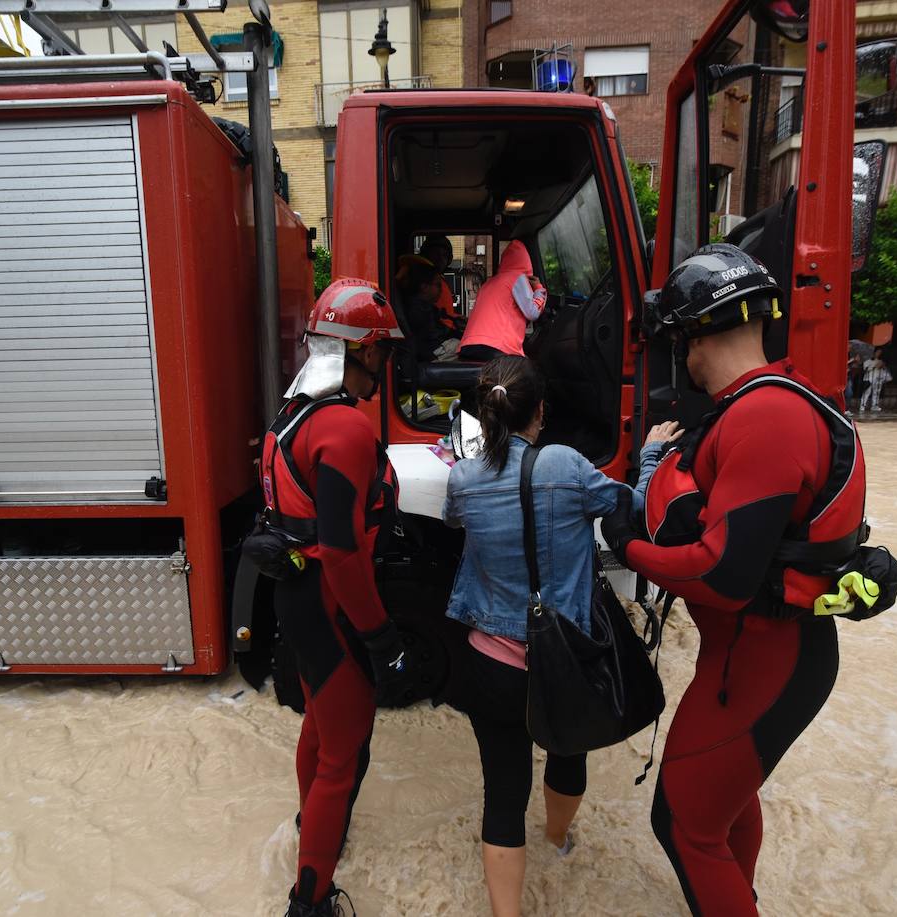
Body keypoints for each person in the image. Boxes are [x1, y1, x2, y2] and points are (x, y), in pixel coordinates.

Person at [601, 243, 868, 916]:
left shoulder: (764, 415)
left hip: (765, 660)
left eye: (680, 339)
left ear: (697, 334)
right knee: (721, 805)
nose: (679, 357)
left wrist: (629, 546)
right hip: (751, 658)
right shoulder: (758, 405)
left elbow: (724, 574)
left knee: (684, 823)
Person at [443, 354, 679, 917]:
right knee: (567, 752)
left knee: (502, 792)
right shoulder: (567, 468)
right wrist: (648, 457)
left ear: (483, 414)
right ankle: (556, 840)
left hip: (490, 663)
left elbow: (455, 519)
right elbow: (636, 507)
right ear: (540, 413)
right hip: (567, 657)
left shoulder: (463, 478)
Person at [261, 278, 419, 917]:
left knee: (319, 731)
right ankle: (311, 899)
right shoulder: (346, 432)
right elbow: (346, 551)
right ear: (357, 350)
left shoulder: (289, 417)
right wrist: (383, 638)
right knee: (342, 755)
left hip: (296, 602)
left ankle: (313, 834)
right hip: (333, 607)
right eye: (382, 351)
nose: (387, 363)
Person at [458, 239, 547, 362]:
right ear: (527, 263)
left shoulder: (489, 283)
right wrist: (538, 289)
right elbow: (532, 312)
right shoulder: (517, 278)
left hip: (468, 347)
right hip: (496, 348)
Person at [395, 254, 456, 361]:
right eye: (438, 285)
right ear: (424, 287)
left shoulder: (422, 306)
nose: (441, 291)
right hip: (432, 352)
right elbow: (433, 335)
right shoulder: (419, 310)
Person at [418, 234, 465, 334]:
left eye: (444, 255)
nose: (440, 259)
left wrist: (456, 318)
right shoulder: (424, 280)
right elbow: (429, 321)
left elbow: (440, 313)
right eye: (436, 254)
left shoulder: (438, 279)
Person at [859, 346, 891, 413]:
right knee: (867, 392)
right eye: (877, 352)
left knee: (876, 392)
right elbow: (865, 369)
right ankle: (862, 405)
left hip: (878, 378)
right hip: (869, 378)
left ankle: (874, 405)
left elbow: (884, 370)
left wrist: (882, 366)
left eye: (880, 353)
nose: (878, 354)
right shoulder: (868, 361)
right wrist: (875, 366)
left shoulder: (880, 361)